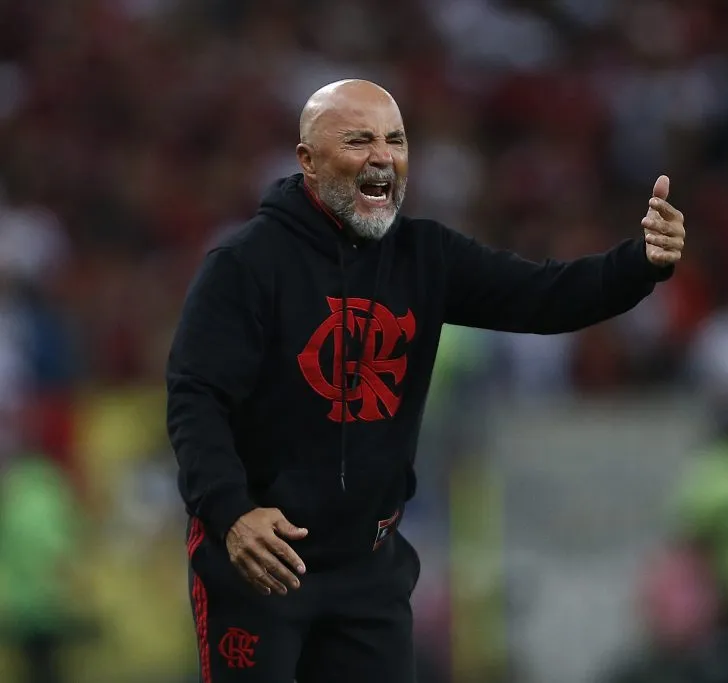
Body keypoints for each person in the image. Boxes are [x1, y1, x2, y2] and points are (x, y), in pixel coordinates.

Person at [166, 79, 686, 683]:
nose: (382, 156)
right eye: (358, 140)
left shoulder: (424, 256)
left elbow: (544, 297)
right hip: (264, 563)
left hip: (368, 569)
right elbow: (195, 397)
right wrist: (232, 513)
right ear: (307, 160)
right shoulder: (245, 265)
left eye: (395, 140)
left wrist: (640, 264)